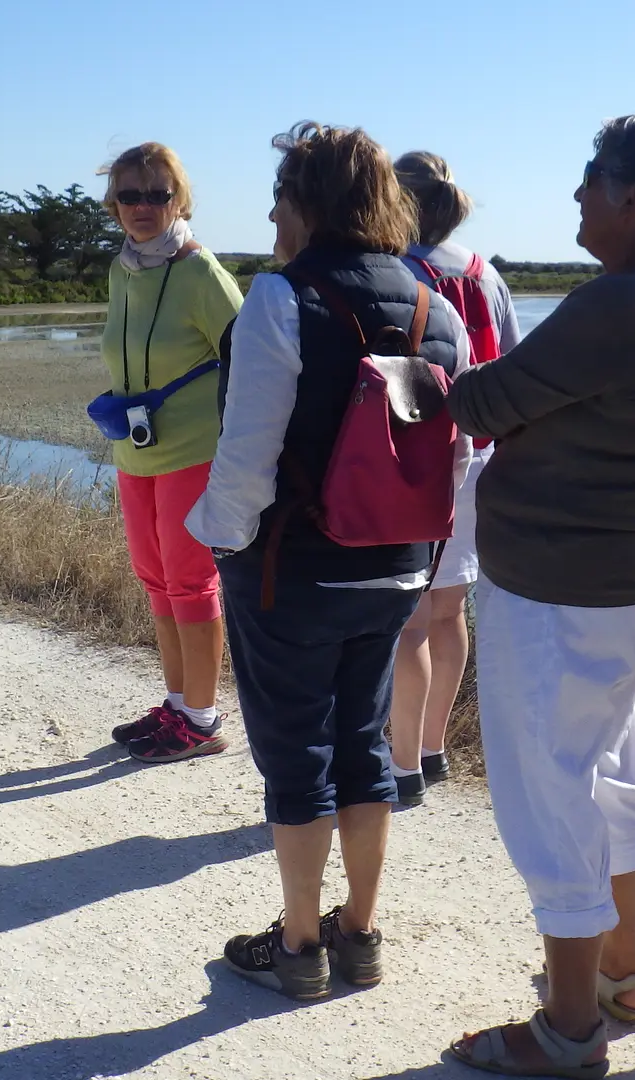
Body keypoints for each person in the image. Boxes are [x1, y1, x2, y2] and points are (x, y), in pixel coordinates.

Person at [446, 113, 635, 1079]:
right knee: (611, 763)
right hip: (618, 581)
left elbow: (484, 400)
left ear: (634, 195)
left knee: (547, 788)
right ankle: (622, 976)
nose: (576, 194)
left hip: (557, 585)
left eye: (591, 177)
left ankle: (566, 1030)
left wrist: (420, 373)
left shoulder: (621, 302)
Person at [185, 122, 470, 1001]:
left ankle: (300, 948)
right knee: (365, 748)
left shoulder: (282, 298)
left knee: (297, 757)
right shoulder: (437, 308)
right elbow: (444, 453)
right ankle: (362, 933)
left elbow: (246, 456)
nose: (271, 212)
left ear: (309, 201)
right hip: (396, 568)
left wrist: (220, 542)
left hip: (293, 570)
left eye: (280, 194)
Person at [95, 143, 245, 764]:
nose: (143, 207)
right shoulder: (122, 269)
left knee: (190, 583)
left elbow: (249, 361)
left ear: (179, 200)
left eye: (157, 194)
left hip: (194, 453)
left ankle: (203, 719)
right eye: (130, 195)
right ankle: (179, 704)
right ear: (114, 204)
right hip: (136, 453)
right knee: (157, 582)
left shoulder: (201, 271)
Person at [386, 151, 522, 807]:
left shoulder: (396, 275)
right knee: (448, 613)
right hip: (483, 459)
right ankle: (435, 749)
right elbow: (513, 365)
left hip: (418, 459)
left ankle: (402, 764)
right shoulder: (484, 273)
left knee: (408, 621)